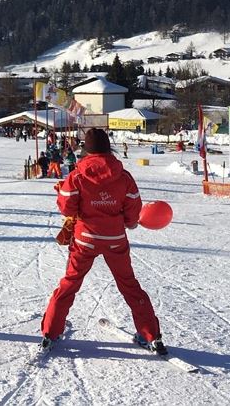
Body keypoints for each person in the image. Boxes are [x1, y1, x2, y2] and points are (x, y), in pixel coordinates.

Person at [40, 128, 164, 353]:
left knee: (70, 283)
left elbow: (67, 207)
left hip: (85, 239)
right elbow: (133, 208)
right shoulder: (123, 176)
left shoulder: (77, 176)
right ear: (108, 147)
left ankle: (51, 331)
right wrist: (129, 222)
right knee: (129, 285)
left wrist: (63, 193)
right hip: (115, 239)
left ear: (87, 149)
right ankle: (151, 335)